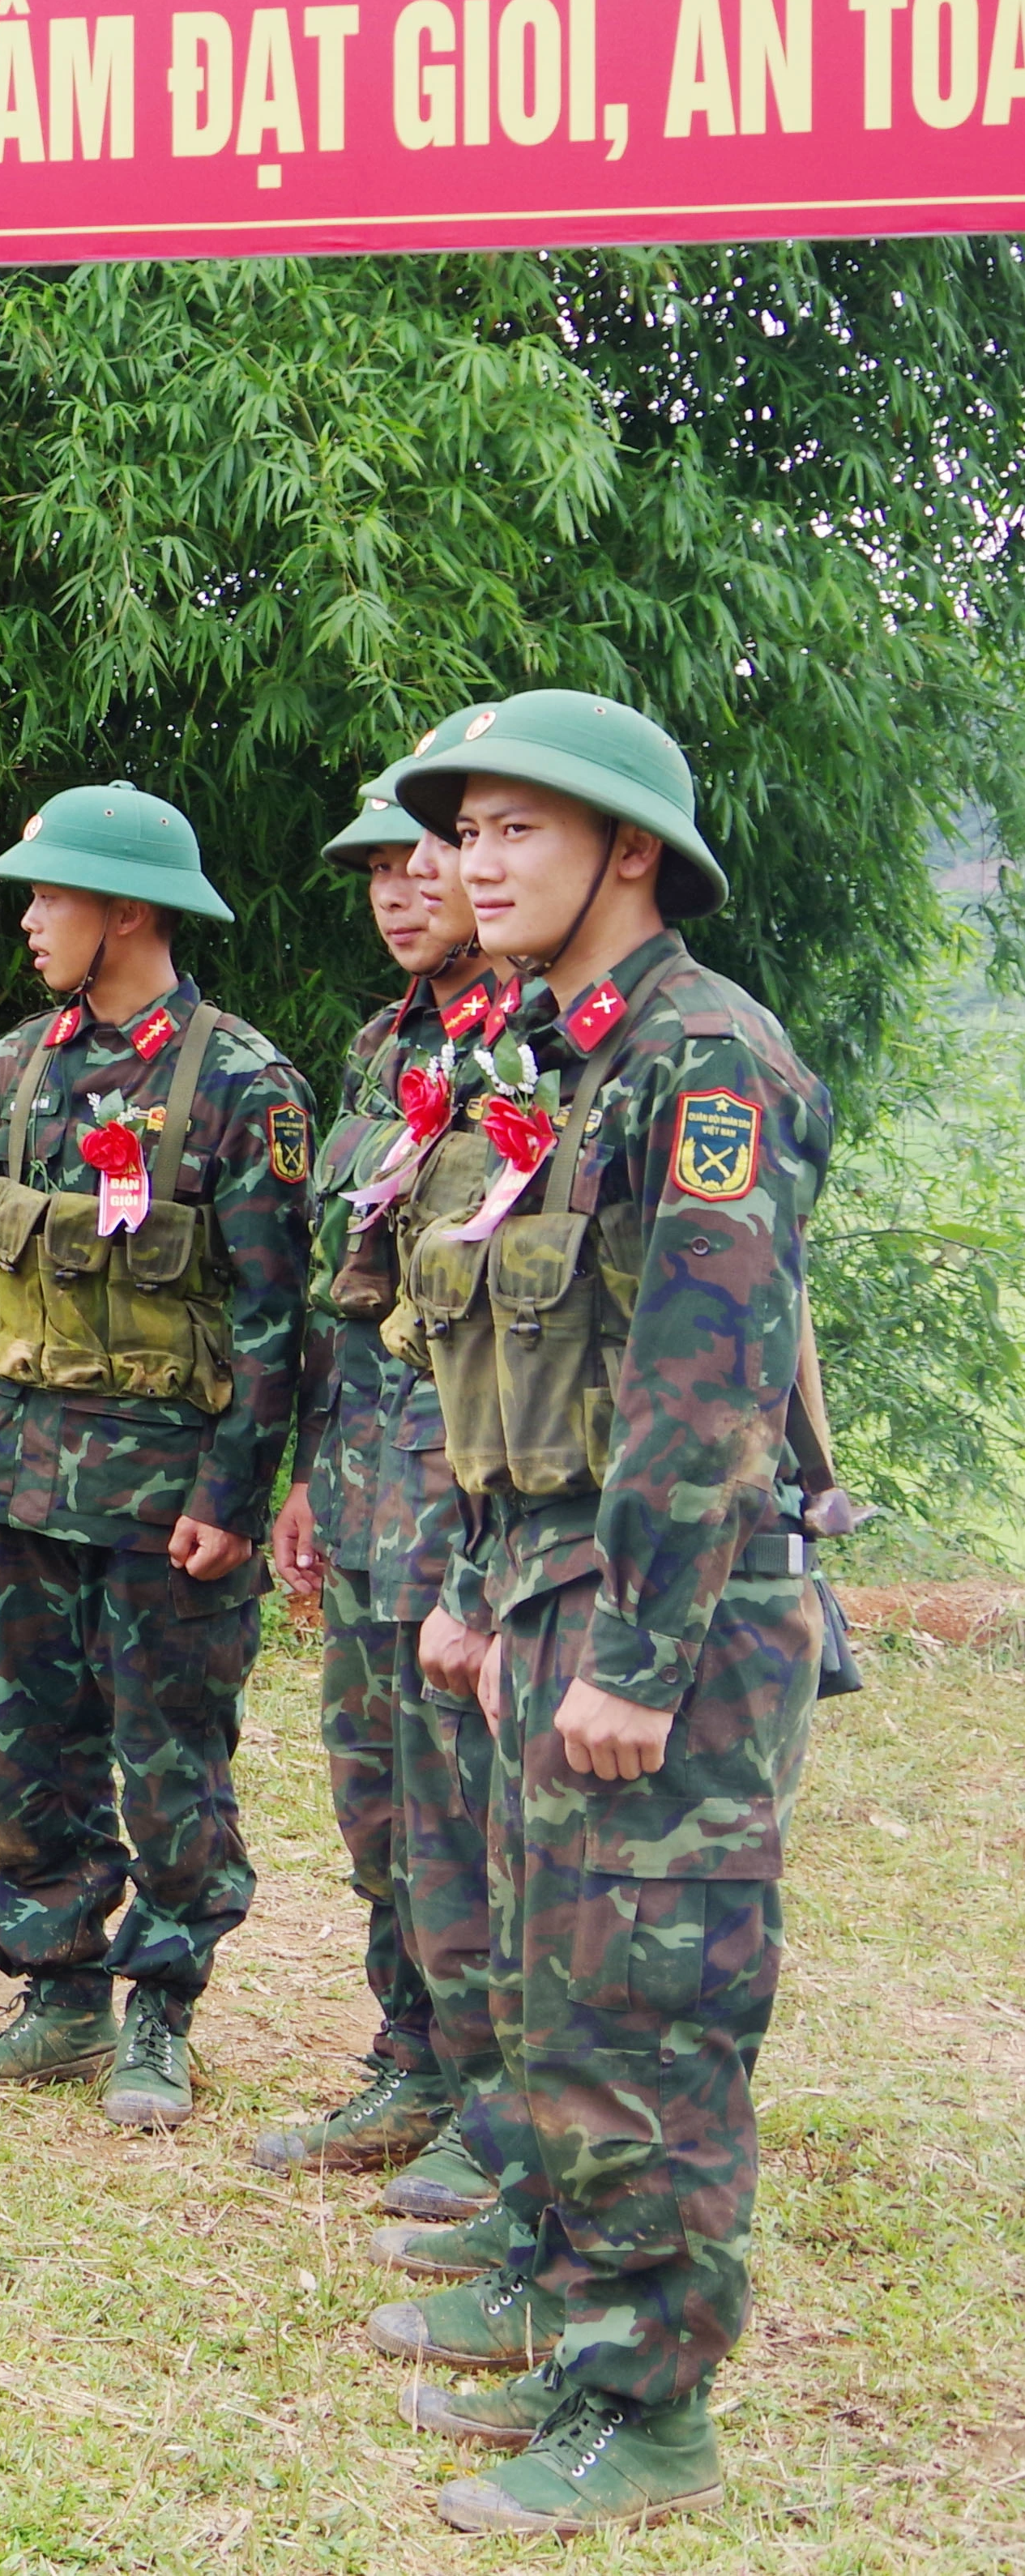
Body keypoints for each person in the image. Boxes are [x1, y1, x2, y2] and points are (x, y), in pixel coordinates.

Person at [359, 693, 829, 2538]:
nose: (471, 862)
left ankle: (649, 2414)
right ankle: (564, 2297)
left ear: (629, 851)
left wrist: (639, 1656)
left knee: (652, 2021)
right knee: (556, 1989)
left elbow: (704, 1395)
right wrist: (482, 1592)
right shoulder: (555, 1058)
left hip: (672, 1625)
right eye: (461, 829)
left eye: (514, 831)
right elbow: (522, 1362)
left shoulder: (706, 1067)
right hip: (547, 1584)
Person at [0, 783, 311, 2133]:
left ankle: (161, 2008)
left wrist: (233, 1496)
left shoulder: (243, 1085)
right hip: (30, 1477)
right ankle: (57, 1993)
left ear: (129, 909)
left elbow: (273, 1320)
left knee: (170, 1761)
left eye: (51, 896)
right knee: (29, 1747)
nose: (29, 921)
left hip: (165, 1503)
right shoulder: (17, 1069)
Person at [254, 744, 503, 2188]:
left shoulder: (527, 1055)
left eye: (423, 859)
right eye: (377, 869)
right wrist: (302, 1471)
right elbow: (340, 1283)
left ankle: (493, 2102)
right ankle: (408, 2058)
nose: (399, 889)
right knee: (376, 1792)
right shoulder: (381, 1049)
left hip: (462, 1488)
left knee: (463, 1798)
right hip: (360, 1478)